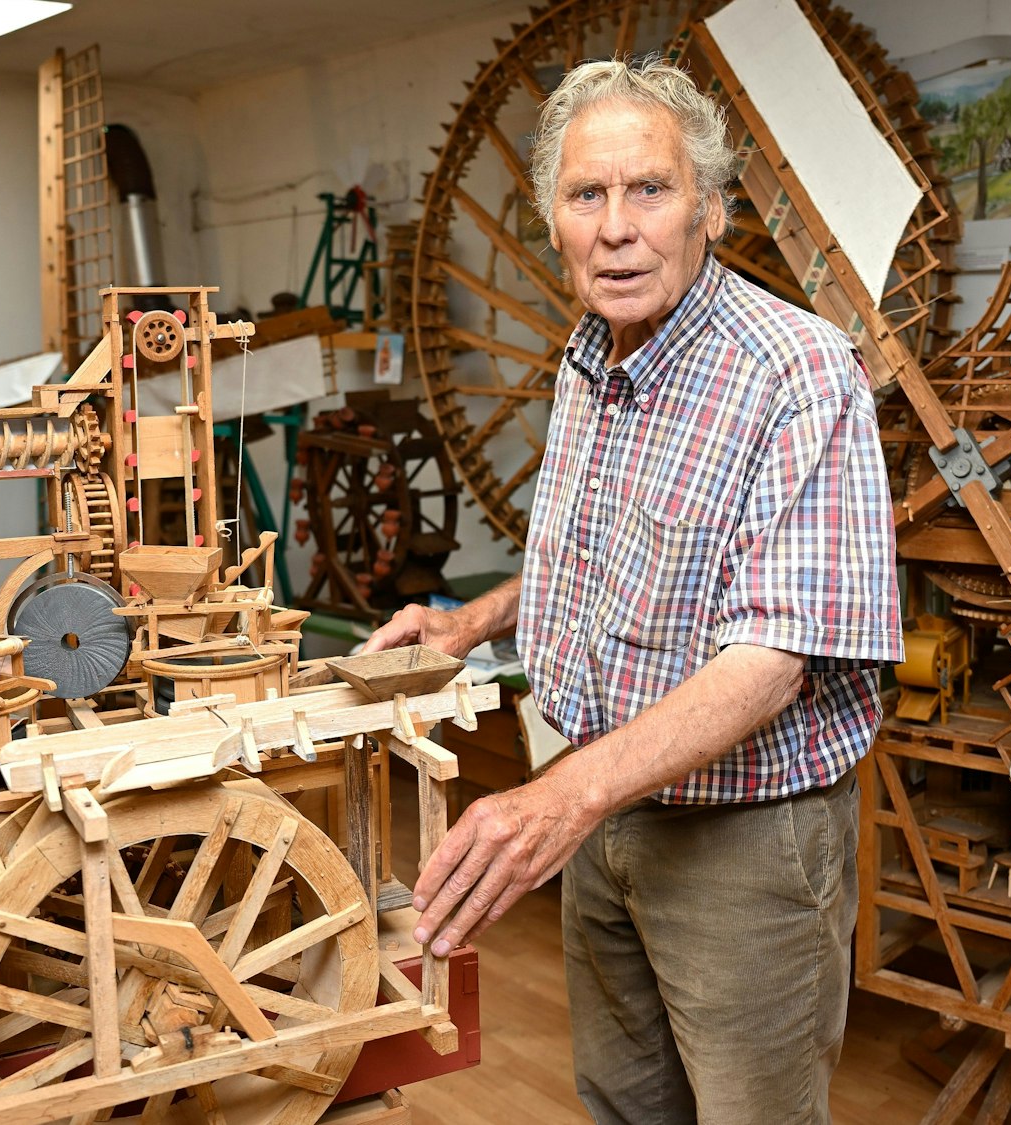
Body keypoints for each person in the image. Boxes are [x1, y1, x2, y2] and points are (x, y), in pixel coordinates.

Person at [363, 56, 900, 1124]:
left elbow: (771, 659)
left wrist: (558, 800)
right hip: (597, 810)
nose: (617, 227)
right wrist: (469, 621)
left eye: (648, 189)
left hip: (738, 841)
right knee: (621, 1105)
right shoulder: (590, 355)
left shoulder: (795, 371)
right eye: (585, 195)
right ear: (552, 222)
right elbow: (600, 547)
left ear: (707, 207)